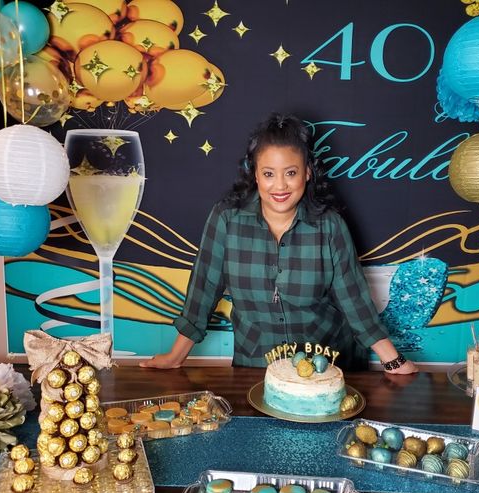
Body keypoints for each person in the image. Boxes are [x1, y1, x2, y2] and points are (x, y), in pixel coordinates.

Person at [140, 113, 416, 374]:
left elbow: (354, 300)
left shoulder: (329, 225)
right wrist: (175, 357)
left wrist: (393, 362)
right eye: (269, 173)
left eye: (291, 173)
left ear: (307, 172)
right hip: (255, 368)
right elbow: (203, 291)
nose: (280, 186)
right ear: (255, 174)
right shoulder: (226, 219)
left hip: (327, 367)